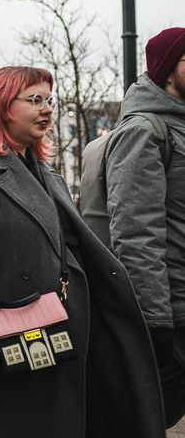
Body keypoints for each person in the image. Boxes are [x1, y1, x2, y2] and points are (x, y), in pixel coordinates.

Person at [0, 65, 164, 437]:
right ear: (1, 105)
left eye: (49, 100)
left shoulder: (48, 176)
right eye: (34, 100)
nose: (47, 109)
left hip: (43, 343)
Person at [98, 27, 185, 425]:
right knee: (141, 422)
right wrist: (155, 321)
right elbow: (136, 234)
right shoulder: (143, 131)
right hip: (175, 316)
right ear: (169, 69)